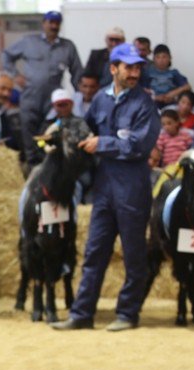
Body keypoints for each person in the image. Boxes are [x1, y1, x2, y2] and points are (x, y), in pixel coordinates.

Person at [52, 43, 161, 333]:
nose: (135, 72)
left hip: (132, 190)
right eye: (129, 67)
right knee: (94, 252)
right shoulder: (100, 99)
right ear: (114, 69)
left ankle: (127, 313)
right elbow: (86, 131)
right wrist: (62, 131)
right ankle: (82, 314)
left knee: (134, 254)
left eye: (138, 67)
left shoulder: (145, 105)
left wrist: (104, 143)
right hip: (104, 190)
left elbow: (139, 145)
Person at [1, 10, 83, 165]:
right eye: (50, 22)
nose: (53, 26)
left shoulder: (67, 47)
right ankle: (33, 169)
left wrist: (80, 98)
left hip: (53, 102)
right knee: (29, 136)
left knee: (51, 134)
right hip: (30, 98)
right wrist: (14, 75)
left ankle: (50, 166)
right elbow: (6, 55)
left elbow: (77, 72)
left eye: (57, 23)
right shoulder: (29, 42)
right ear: (43, 24)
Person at [146, 45, 191, 109]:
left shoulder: (174, 73)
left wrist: (172, 94)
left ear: (170, 58)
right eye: (158, 57)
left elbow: (187, 86)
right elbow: (141, 90)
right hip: (151, 104)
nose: (161, 60)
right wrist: (156, 97)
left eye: (164, 57)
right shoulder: (148, 73)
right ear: (154, 59)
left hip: (171, 104)